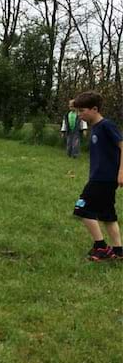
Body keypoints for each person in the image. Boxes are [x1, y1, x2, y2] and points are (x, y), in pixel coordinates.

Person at [72, 91, 123, 261]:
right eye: (78, 111)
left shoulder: (107, 125)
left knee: (82, 209)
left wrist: (121, 172)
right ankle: (118, 251)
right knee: (107, 215)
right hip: (99, 178)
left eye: (82, 111)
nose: (80, 115)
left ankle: (101, 247)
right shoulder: (95, 127)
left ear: (95, 109)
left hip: (104, 178)